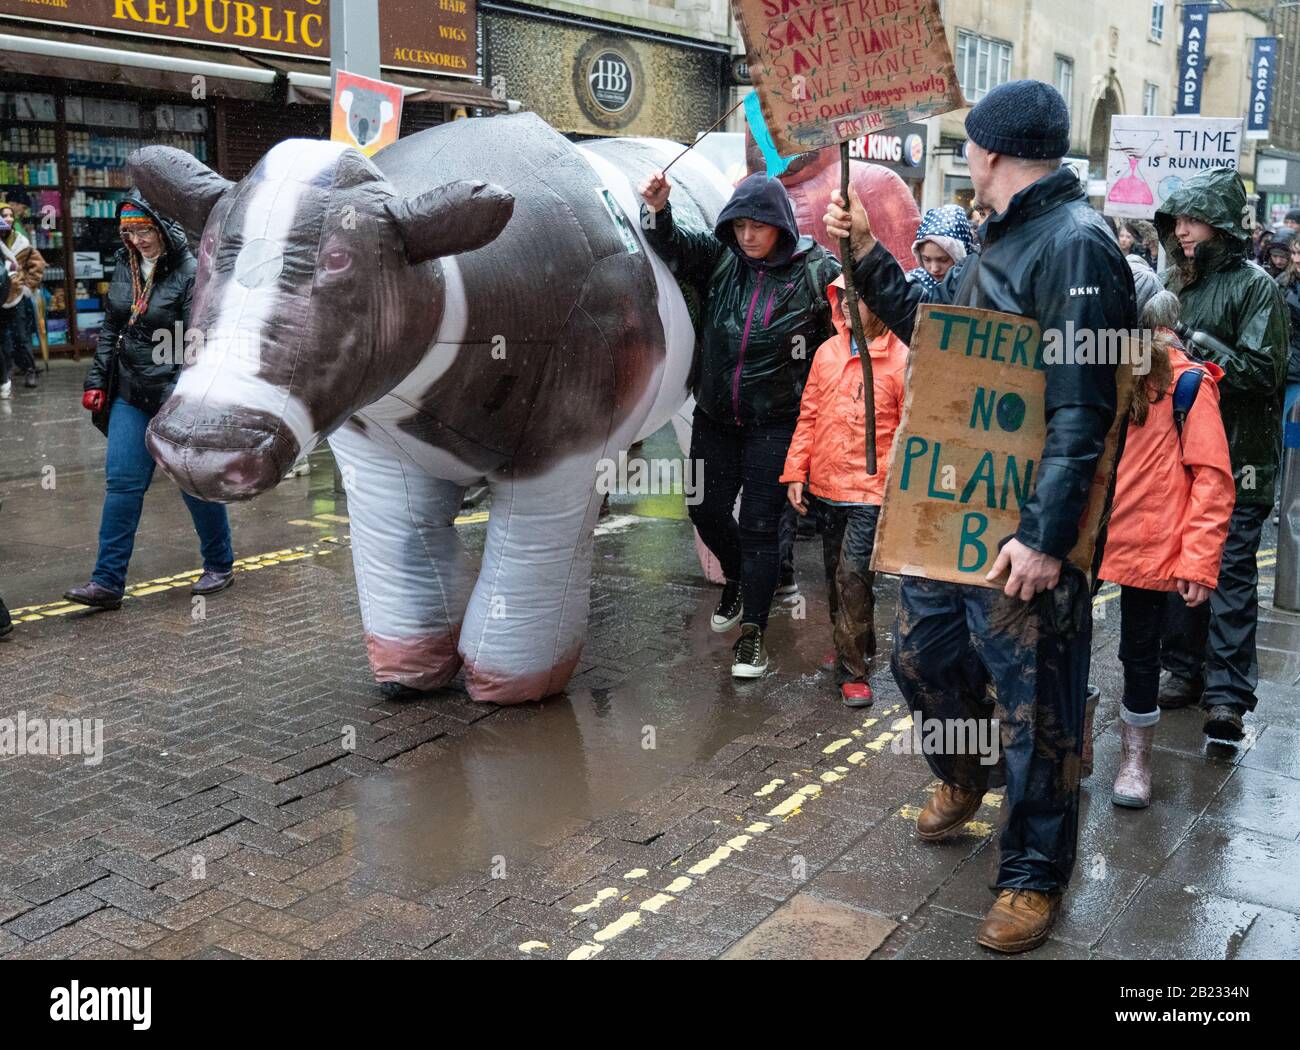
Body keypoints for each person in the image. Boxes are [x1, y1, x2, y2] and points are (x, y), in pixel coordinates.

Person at [826, 80, 1135, 952]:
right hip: (955, 515)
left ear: (991, 152)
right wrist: (869, 259)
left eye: (970, 147)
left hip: (1023, 532)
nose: (968, 158)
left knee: (1041, 708)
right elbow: (941, 333)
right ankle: (965, 774)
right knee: (922, 659)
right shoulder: (994, 240)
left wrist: (1044, 536)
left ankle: (1033, 875)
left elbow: (1083, 410)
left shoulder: (1076, 246)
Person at [639, 171, 840, 678]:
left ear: (781, 226)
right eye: (741, 225)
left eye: (760, 226)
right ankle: (737, 578)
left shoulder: (816, 271)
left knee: (758, 526)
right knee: (703, 509)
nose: (749, 235)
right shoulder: (721, 257)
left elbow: (849, 330)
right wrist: (658, 209)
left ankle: (753, 632)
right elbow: (672, 243)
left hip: (776, 423)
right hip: (715, 415)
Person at [1154, 169, 1290, 741]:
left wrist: (1198, 356)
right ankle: (1182, 671)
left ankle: (1227, 693)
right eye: (1177, 220)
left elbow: (1265, 371)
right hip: (1181, 455)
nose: (1181, 230)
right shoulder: (1173, 280)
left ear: (1219, 225)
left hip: (1240, 456)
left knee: (1231, 572)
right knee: (1181, 565)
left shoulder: (1256, 287)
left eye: (1192, 219)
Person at [63, 197, 235, 610]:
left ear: (162, 229)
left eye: (144, 231)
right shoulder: (126, 265)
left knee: (190, 481)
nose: (136, 240)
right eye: (129, 233)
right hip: (129, 391)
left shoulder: (191, 272)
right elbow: (111, 327)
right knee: (122, 482)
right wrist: (96, 380)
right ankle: (106, 582)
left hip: (176, 395)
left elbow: (201, 341)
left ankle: (219, 563)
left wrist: (180, 395)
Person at [1098, 291, 1234, 807]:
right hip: (1085, 537)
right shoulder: (1098, 370)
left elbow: (1213, 480)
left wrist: (1198, 563)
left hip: (1147, 543)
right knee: (1068, 641)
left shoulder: (1186, 385)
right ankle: (1077, 745)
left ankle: (1136, 759)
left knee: (1139, 654)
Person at [781, 277, 906, 707]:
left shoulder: (901, 358)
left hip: (870, 493)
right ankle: (851, 642)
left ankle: (854, 669)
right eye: (843, 298)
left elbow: (909, 431)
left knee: (853, 577)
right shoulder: (827, 352)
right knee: (837, 579)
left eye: (860, 298)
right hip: (828, 488)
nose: (849, 306)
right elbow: (809, 415)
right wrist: (796, 471)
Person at [0, 204, 45, 395]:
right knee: (3, 339)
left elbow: (37, 265)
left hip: (17, 296)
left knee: (21, 335)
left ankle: (29, 370)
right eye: (4, 215)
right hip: (0, 297)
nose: (9, 219)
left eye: (11, 215)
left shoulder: (21, 241)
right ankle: (5, 375)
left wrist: (27, 287)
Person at [906, 205, 976, 293]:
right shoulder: (912, 285)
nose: (934, 269)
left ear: (961, 254)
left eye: (943, 260)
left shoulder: (975, 284)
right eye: (926, 259)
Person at [1278, 236, 1300, 435]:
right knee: (1288, 428)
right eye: (1294, 253)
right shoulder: (1284, 284)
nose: (1297, 259)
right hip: (1291, 367)